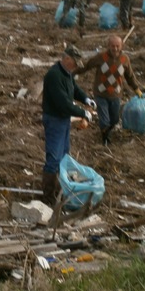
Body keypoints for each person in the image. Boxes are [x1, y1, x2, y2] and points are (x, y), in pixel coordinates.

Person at [41, 46, 96, 206]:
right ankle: (48, 195)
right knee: (54, 158)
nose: (75, 66)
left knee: (64, 155)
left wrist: (85, 99)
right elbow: (63, 103)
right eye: (74, 63)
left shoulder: (66, 73)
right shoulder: (54, 75)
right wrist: (82, 113)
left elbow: (74, 89)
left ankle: (60, 188)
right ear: (66, 59)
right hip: (54, 120)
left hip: (63, 120)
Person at [74, 35, 143, 146]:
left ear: (121, 46)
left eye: (117, 46)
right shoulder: (101, 57)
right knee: (104, 119)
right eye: (112, 46)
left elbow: (130, 76)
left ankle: (107, 132)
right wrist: (72, 73)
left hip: (116, 94)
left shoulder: (124, 59)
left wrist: (136, 89)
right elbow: (87, 66)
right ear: (108, 46)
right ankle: (105, 139)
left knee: (114, 120)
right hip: (100, 93)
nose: (115, 48)